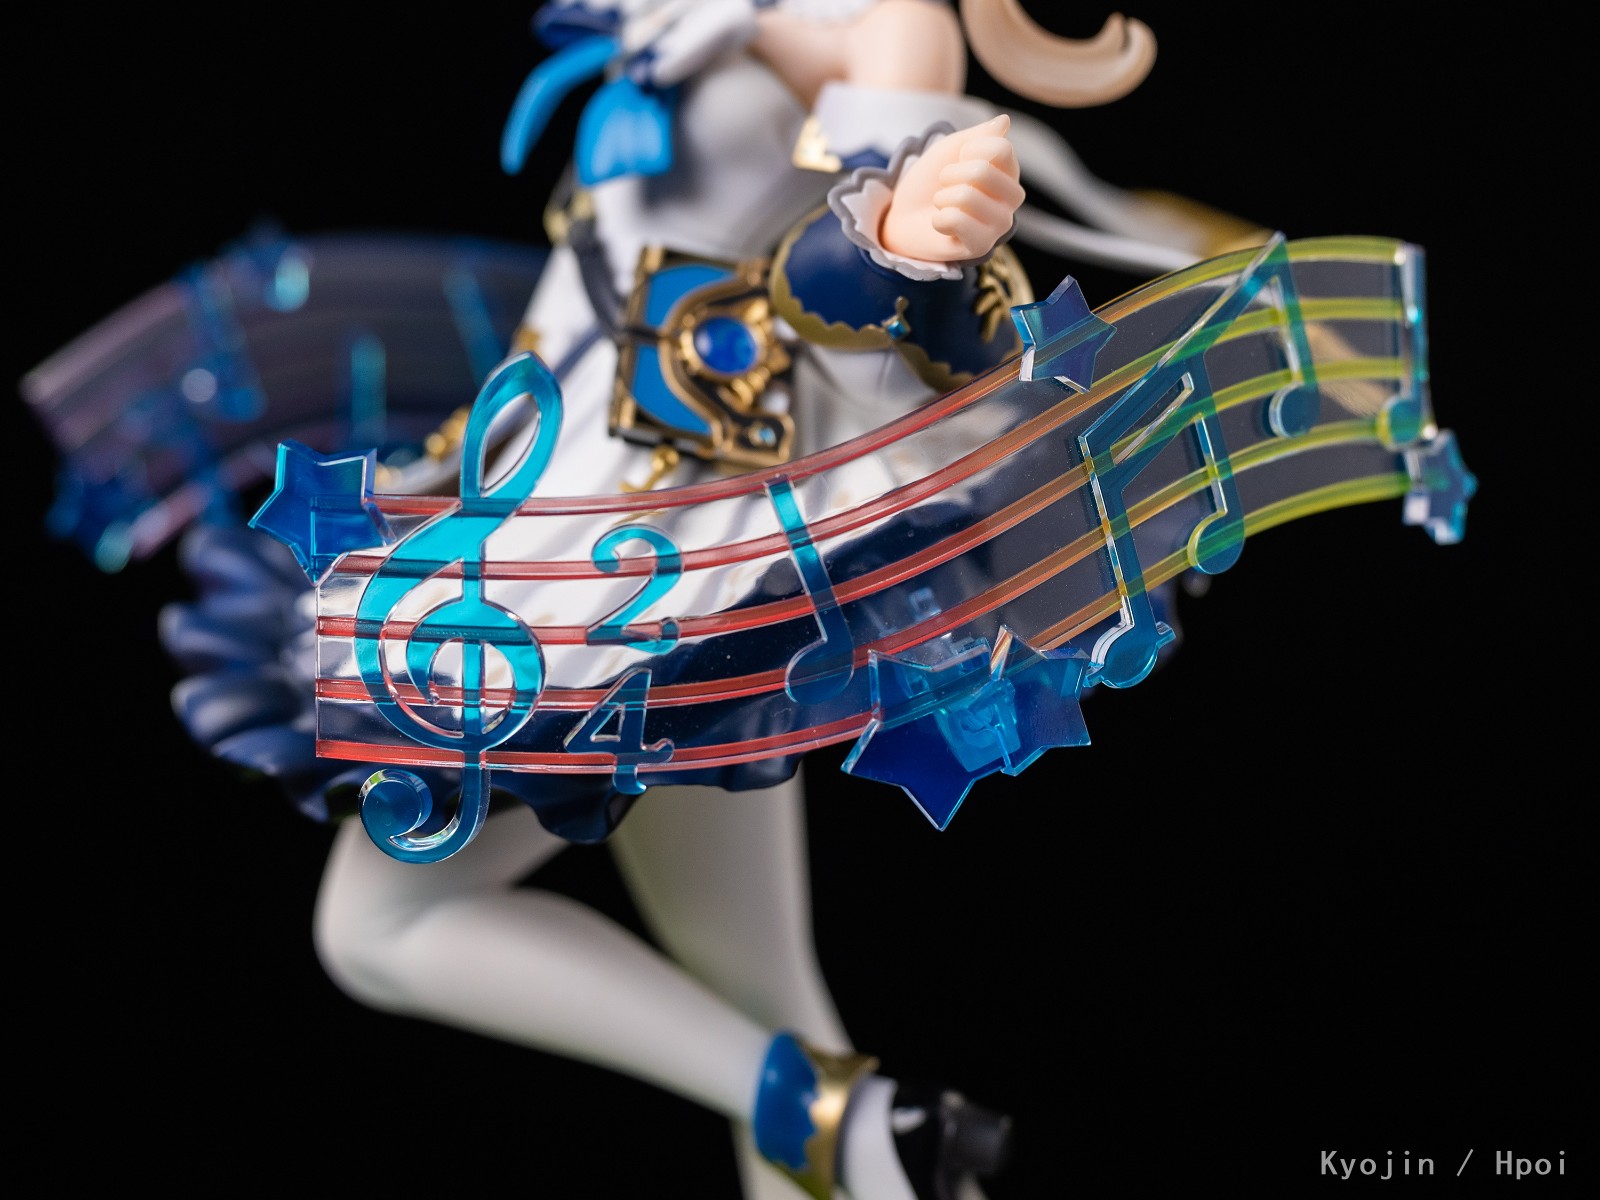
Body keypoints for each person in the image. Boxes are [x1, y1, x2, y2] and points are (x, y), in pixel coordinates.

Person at [135, 4, 1247, 1198]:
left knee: (376, 931)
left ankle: (842, 1121)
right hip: (559, 513)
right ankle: (869, 1138)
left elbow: (858, 310)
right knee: (757, 986)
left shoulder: (880, 22)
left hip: (646, 559)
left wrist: (900, 242)